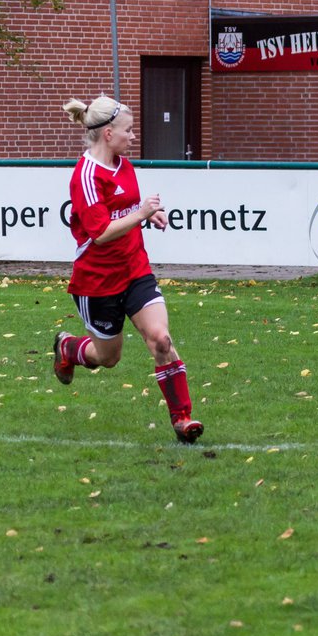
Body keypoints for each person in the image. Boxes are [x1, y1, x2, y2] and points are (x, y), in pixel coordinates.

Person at [52, 95, 204, 444]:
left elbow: (129, 207)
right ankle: (70, 349)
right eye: (128, 131)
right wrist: (140, 214)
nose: (133, 137)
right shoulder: (86, 176)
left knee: (161, 340)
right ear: (107, 133)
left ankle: (183, 419)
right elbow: (101, 233)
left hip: (135, 269)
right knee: (108, 358)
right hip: (97, 282)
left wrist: (150, 214)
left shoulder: (124, 164)